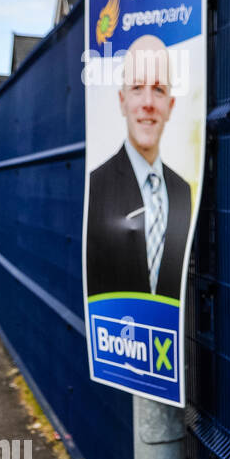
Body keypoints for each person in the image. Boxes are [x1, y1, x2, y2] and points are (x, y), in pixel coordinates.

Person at [85, 34, 192, 301]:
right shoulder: (95, 186)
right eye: (136, 88)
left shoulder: (183, 191)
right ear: (122, 101)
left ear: (170, 105)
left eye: (158, 89)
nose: (148, 102)